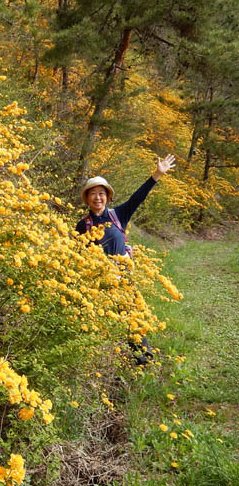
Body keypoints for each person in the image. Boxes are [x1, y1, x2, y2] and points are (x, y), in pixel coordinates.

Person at [76, 154, 176, 364]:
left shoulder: (117, 215)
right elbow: (78, 253)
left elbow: (137, 198)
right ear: (87, 198)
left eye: (101, 194)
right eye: (92, 194)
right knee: (99, 322)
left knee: (132, 318)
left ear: (108, 196)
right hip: (97, 282)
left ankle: (142, 360)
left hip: (122, 278)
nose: (97, 198)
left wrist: (157, 174)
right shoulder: (82, 225)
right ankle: (100, 362)